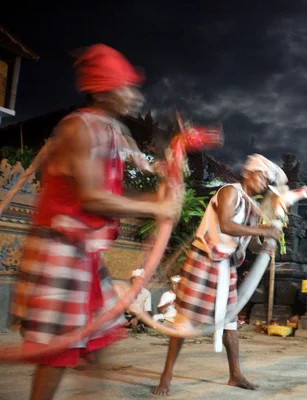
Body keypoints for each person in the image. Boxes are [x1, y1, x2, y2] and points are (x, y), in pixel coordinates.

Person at [10, 44, 179, 400]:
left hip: (85, 254)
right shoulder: (79, 129)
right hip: (59, 250)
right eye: (126, 87)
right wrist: (157, 209)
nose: (134, 95)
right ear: (103, 90)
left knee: (102, 335)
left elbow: (121, 190)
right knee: (57, 352)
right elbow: (92, 197)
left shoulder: (112, 132)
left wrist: (159, 191)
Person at [153, 154, 283, 395]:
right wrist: (263, 228)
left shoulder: (252, 208)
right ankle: (166, 375)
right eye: (262, 176)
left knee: (230, 323)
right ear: (247, 173)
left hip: (227, 267)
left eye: (267, 180)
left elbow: (249, 243)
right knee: (184, 320)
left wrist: (269, 241)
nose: (264, 183)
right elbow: (226, 225)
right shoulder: (229, 192)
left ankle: (235, 375)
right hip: (203, 260)